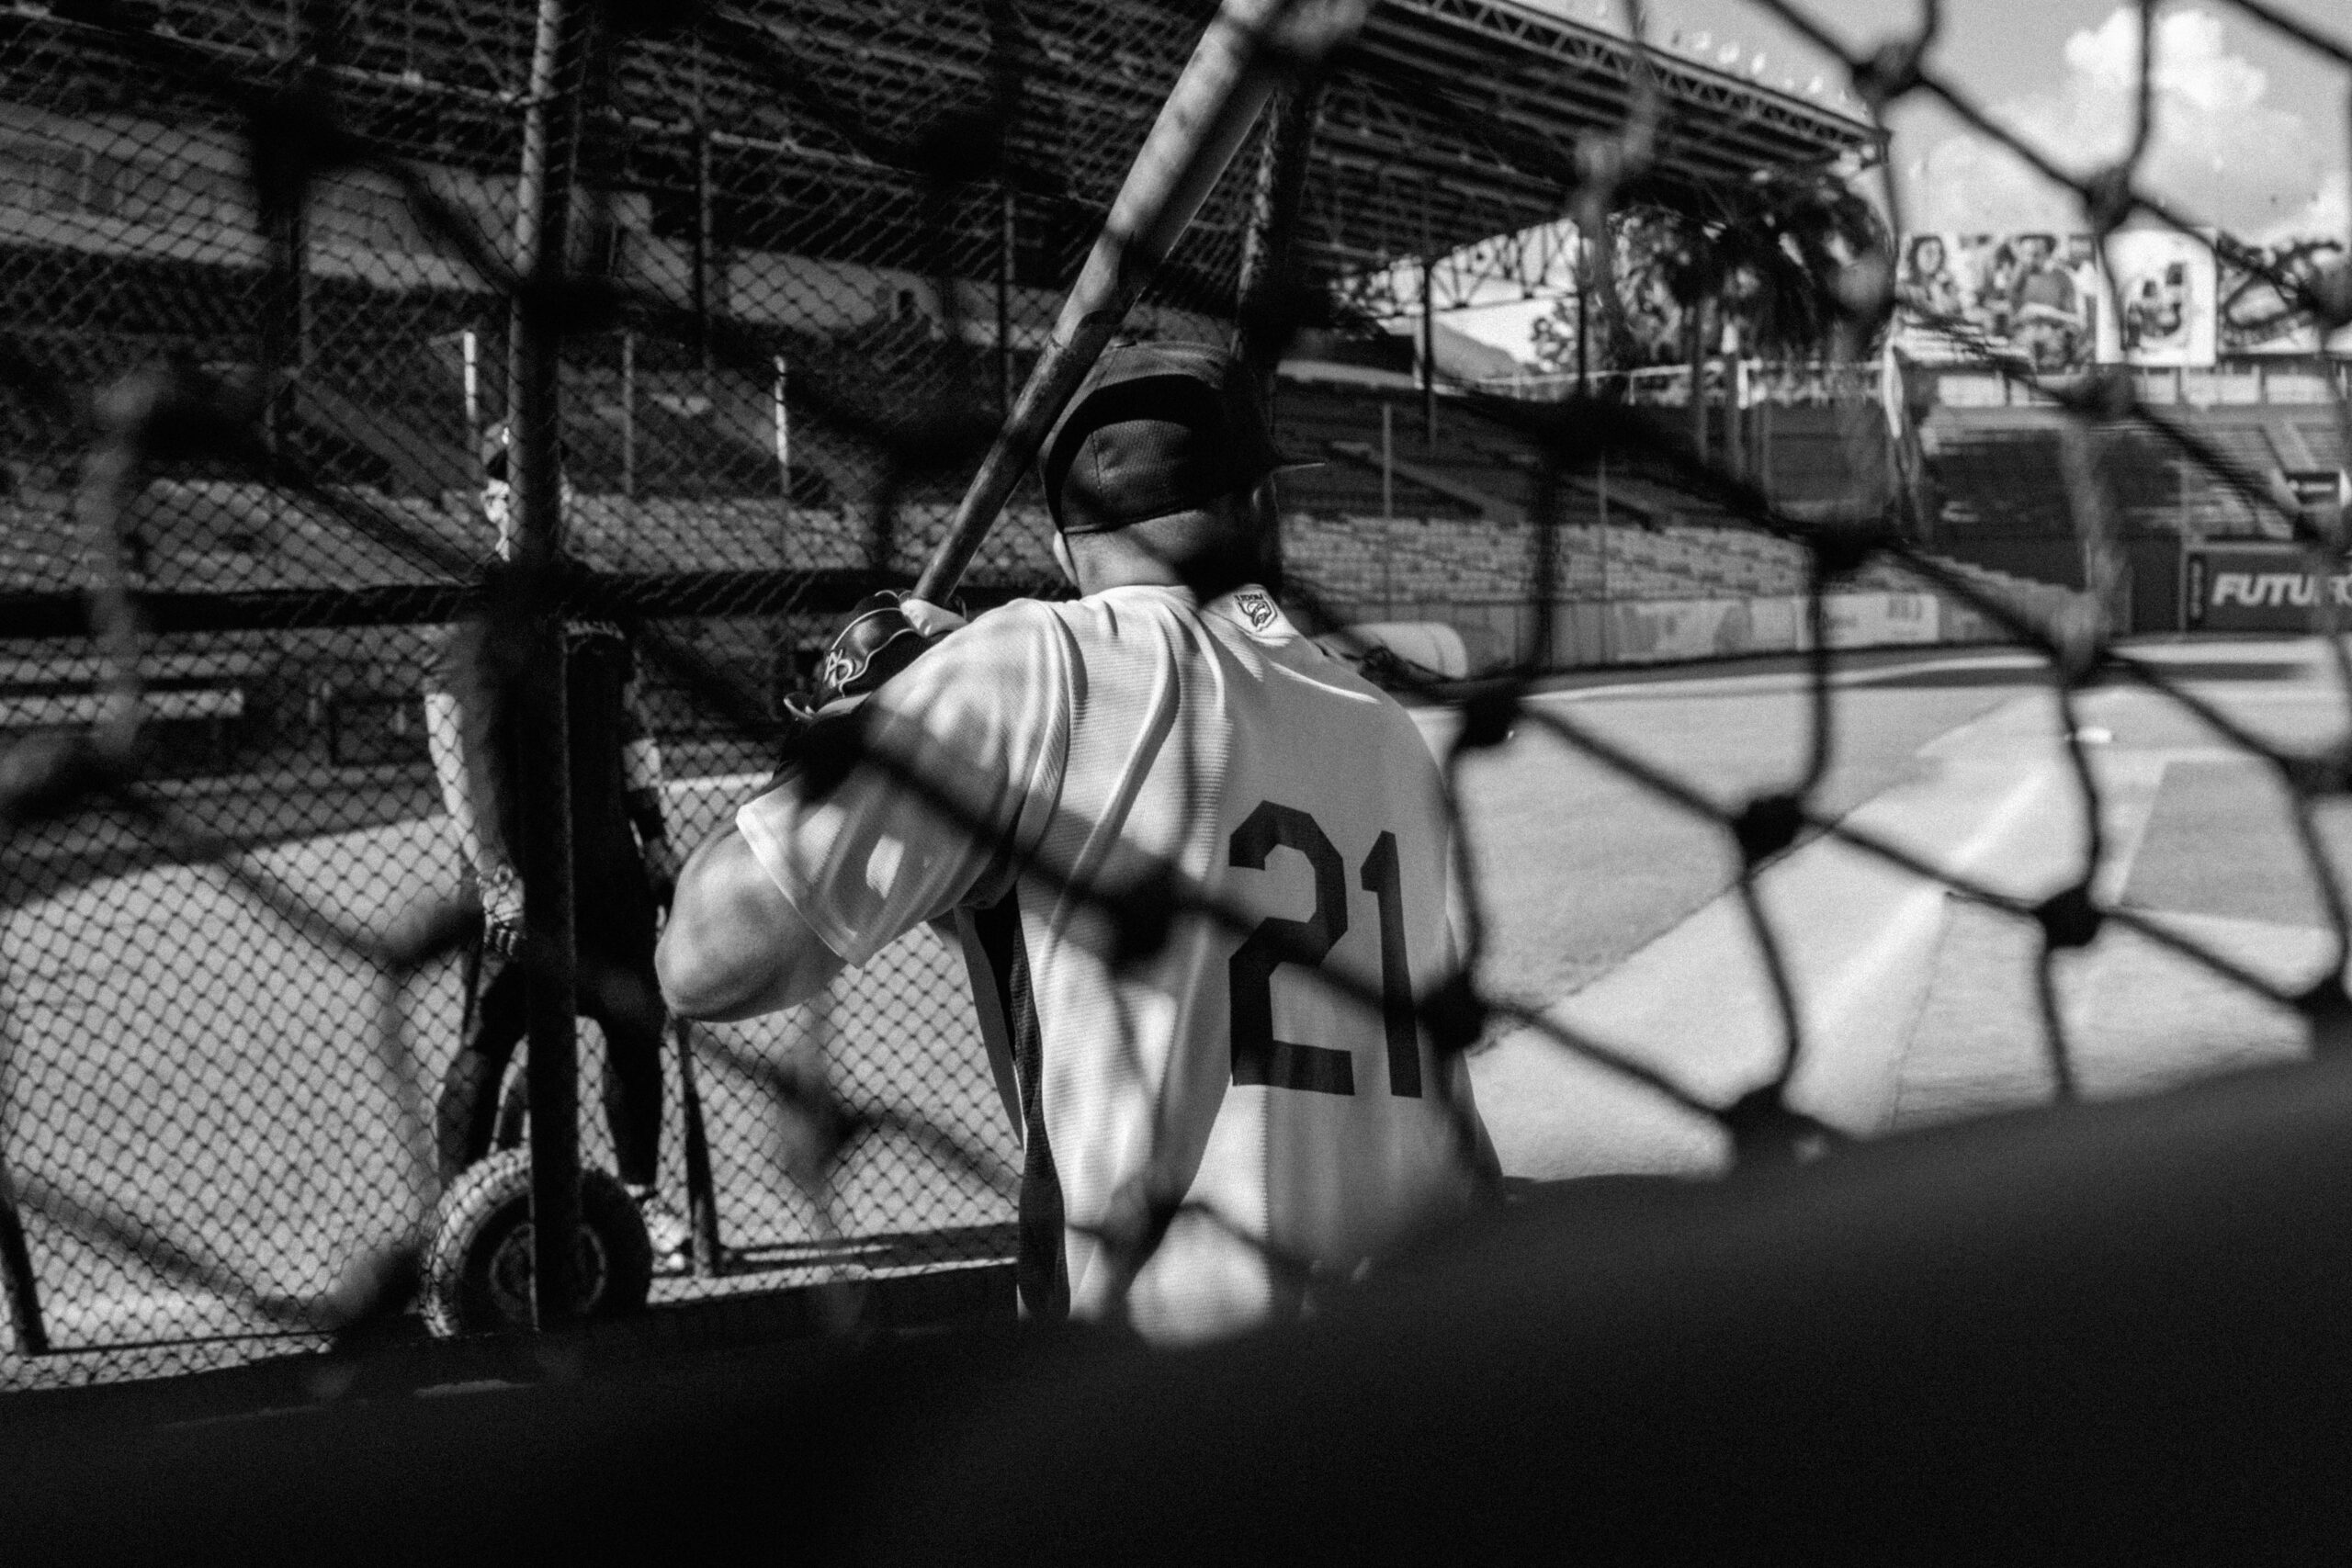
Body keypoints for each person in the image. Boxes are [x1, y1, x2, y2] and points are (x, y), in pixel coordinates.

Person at [658, 341, 1497, 1344]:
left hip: (1158, 1394)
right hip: (1421, 1350)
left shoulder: (1030, 664)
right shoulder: (1383, 729)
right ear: (1259, 513)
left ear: (1063, 551)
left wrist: (853, 730)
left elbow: (702, 965)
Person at [425, 423, 691, 1265]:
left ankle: (642, 1200)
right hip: (520, 878)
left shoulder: (601, 600)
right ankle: (455, 1225)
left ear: (566, 491)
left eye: (546, 477)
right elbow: (451, 743)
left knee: (632, 1029)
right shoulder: (480, 605)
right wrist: (493, 872)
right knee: (488, 1039)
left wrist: (655, 836)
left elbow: (630, 722)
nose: (533, 492)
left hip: (610, 864)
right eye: (510, 481)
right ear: (490, 500)